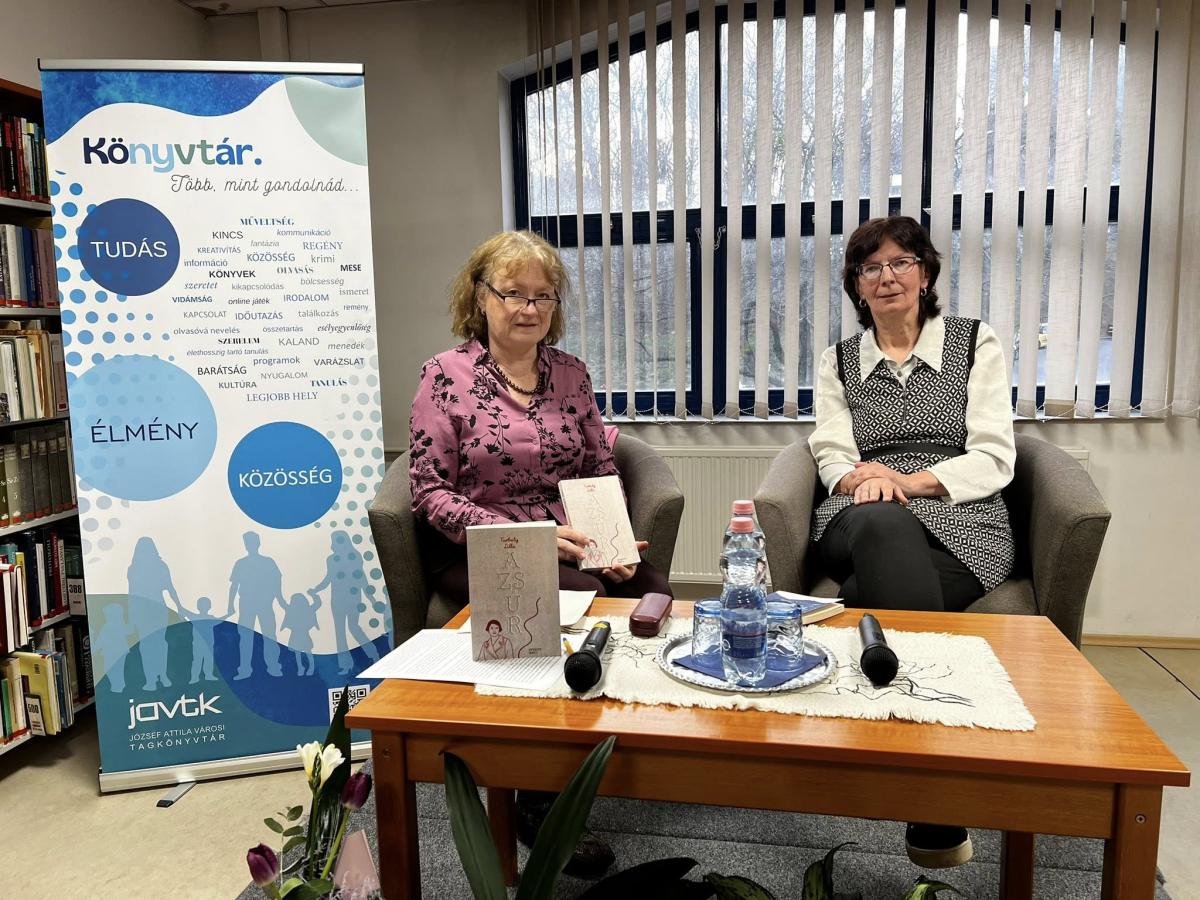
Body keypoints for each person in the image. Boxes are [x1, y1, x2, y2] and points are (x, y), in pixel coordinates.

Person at [410, 229, 672, 878]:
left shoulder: (571, 373)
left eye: (543, 296)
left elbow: (596, 466)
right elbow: (429, 491)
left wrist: (609, 540)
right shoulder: (444, 376)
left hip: (568, 536)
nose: (529, 308)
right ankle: (538, 795)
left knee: (653, 595)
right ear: (481, 297)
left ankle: (612, 743)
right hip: (480, 544)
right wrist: (528, 538)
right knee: (574, 601)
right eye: (513, 294)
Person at [808, 215, 1016, 870]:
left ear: (925, 273)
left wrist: (909, 481)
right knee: (882, 523)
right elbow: (831, 450)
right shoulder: (839, 360)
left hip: (961, 519)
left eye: (901, 262)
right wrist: (863, 480)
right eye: (870, 268)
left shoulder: (974, 343)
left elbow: (994, 455)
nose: (887, 277)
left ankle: (884, 734)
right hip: (860, 510)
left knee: (867, 589)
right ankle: (934, 785)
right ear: (856, 286)